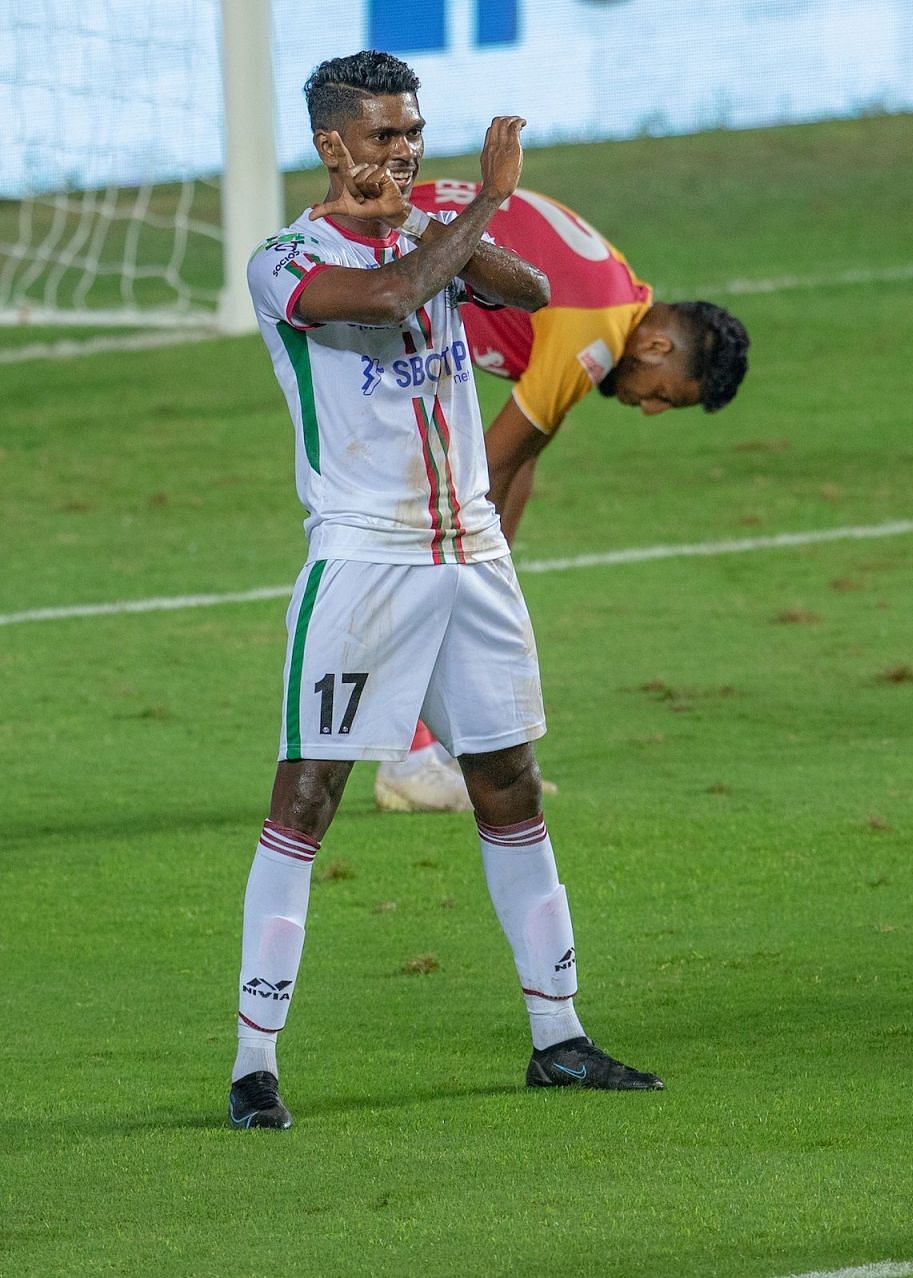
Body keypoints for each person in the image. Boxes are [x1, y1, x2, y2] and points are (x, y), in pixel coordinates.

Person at [229, 50, 661, 1130]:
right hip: (365, 561)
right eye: (384, 136)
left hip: (472, 548)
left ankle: (558, 1038)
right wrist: (486, 206)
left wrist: (435, 222)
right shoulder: (282, 260)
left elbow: (529, 288)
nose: (407, 151)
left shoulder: (431, 234)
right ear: (333, 145)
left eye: (414, 132)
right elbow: (382, 297)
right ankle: (253, 1065)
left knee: (507, 783)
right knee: (307, 799)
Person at [372, 182, 751, 812]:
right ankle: (407, 759)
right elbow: (488, 464)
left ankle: (446, 750)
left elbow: (523, 457)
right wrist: (466, 570)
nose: (651, 410)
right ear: (657, 347)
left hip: (396, 274)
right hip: (376, 271)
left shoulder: (618, 295)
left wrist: (490, 566)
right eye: (665, 394)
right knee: (413, 557)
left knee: (445, 568)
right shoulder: (594, 337)